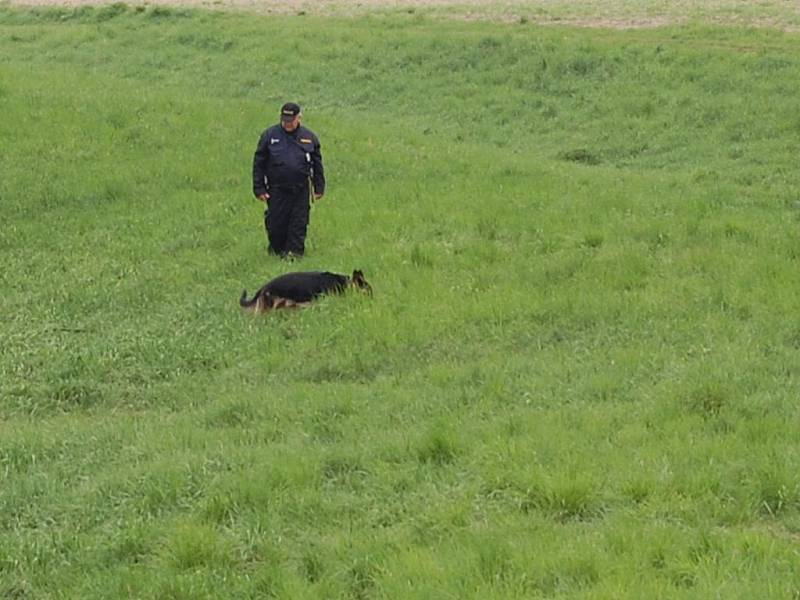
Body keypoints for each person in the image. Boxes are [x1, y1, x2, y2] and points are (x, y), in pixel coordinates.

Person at [252, 102, 325, 258]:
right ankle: (277, 251)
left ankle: (295, 254)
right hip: (277, 189)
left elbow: (317, 164)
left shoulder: (309, 138)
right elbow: (259, 163)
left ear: (299, 118)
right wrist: (259, 188)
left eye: (291, 121)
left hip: (300, 189)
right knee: (276, 225)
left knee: (298, 223)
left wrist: (319, 187)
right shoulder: (269, 136)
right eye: (284, 120)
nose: (287, 124)